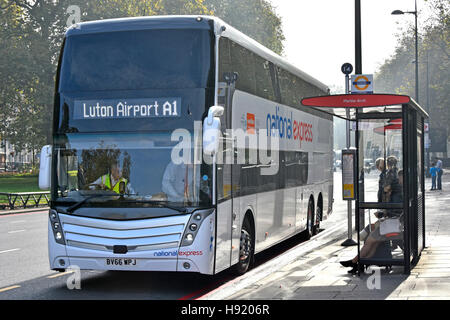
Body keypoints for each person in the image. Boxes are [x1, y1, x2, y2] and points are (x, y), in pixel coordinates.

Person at [340, 165, 404, 274]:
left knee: (369, 240)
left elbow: (395, 211)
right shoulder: (401, 191)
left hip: (395, 226)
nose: (398, 180)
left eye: (399, 178)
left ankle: (354, 261)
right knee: (373, 242)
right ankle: (358, 263)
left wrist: (383, 213)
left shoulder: (399, 193)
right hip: (397, 224)